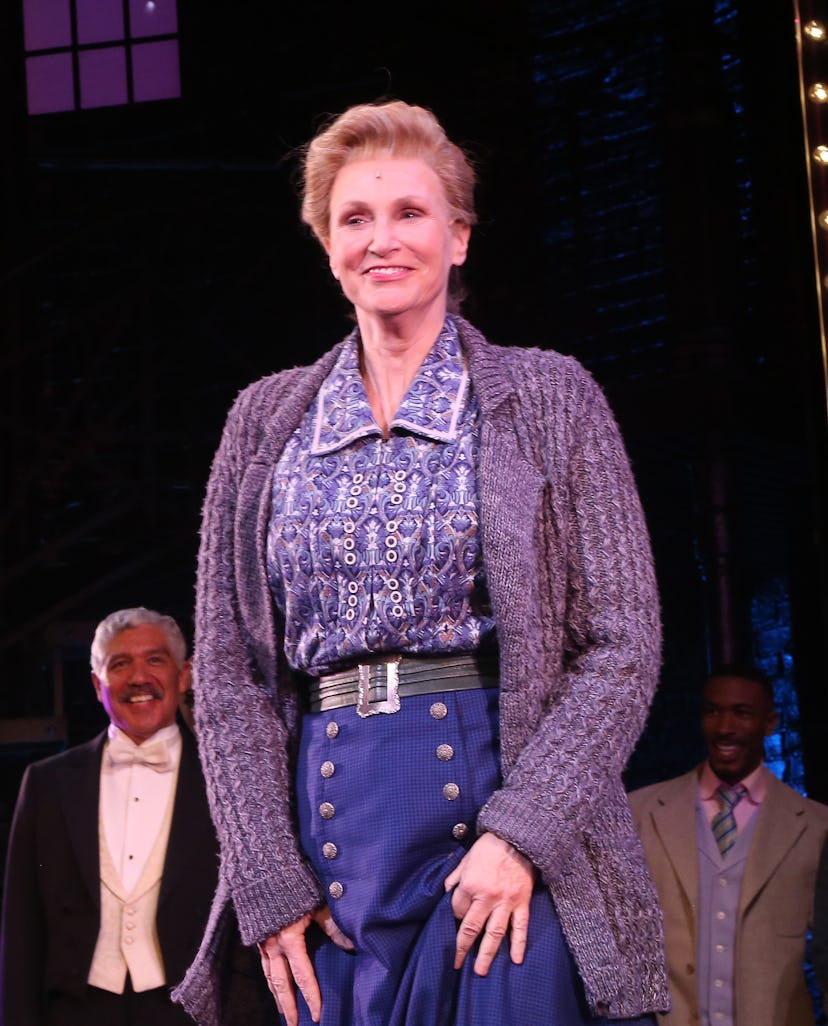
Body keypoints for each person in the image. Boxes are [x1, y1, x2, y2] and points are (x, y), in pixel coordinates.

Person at [173, 99, 668, 1026]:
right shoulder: (263, 422)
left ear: (460, 237)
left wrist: (524, 833)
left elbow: (623, 645)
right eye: (355, 218)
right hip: (329, 845)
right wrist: (266, 872)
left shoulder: (550, 396)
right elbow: (234, 675)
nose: (381, 239)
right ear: (326, 245)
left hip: (500, 822)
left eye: (409, 212)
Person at [0, 607, 219, 1026]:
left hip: (192, 1013)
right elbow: (21, 932)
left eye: (155, 660)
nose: (138, 678)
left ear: (184, 675)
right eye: (120, 664)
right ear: (98, 683)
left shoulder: (224, 782)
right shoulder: (46, 783)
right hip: (73, 1013)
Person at [629, 665, 828, 1026]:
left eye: (741, 713)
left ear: (770, 723)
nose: (724, 728)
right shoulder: (641, 812)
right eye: (712, 711)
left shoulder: (816, 826)